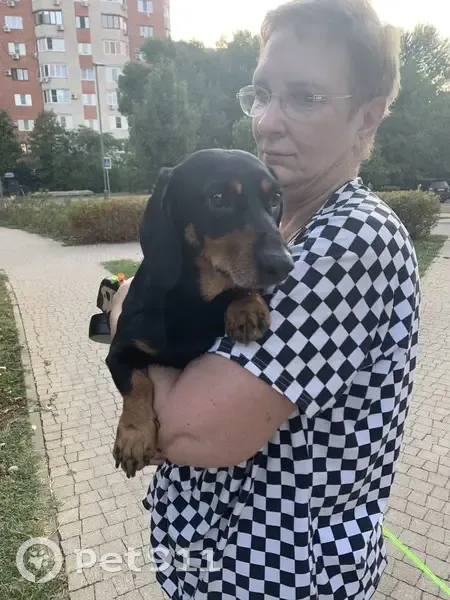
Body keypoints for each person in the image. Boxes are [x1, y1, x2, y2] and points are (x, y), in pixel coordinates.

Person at [110, 0, 420, 598]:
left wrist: (124, 315)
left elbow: (193, 432)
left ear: (367, 116)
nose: (268, 123)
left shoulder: (353, 238)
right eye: (261, 94)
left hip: (277, 576)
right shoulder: (286, 232)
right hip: (212, 562)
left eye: (305, 97)